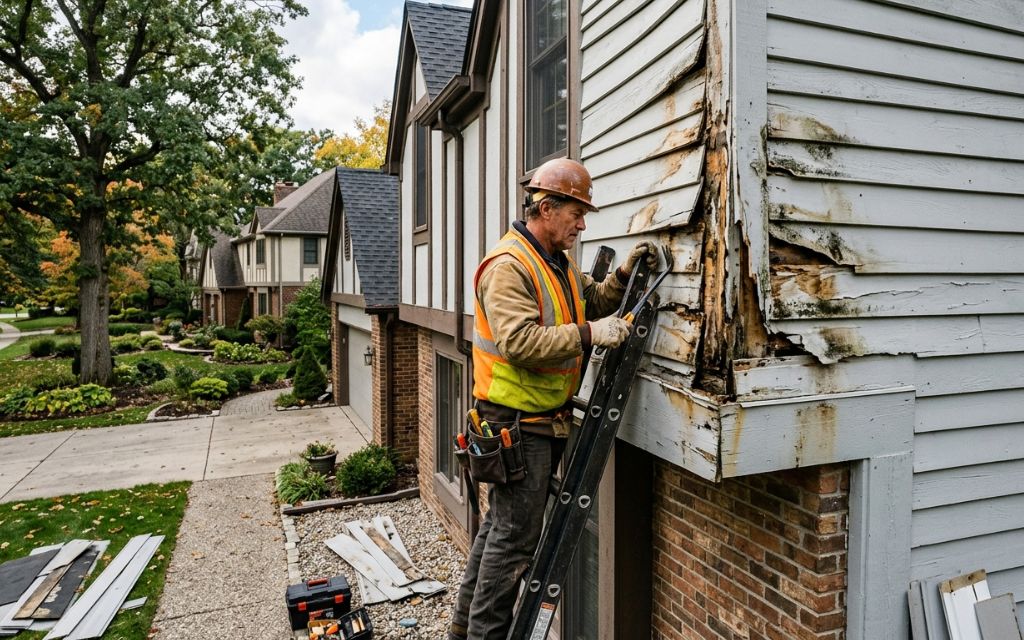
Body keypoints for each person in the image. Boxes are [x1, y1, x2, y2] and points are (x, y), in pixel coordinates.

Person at [449, 158, 658, 639]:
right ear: (546, 208)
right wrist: (591, 334)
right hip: (516, 423)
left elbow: (595, 302)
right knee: (513, 545)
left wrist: (623, 277)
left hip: (537, 421)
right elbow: (520, 342)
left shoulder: (556, 264)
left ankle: (463, 631)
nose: (583, 225)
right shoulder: (509, 267)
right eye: (576, 213)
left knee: (499, 533)